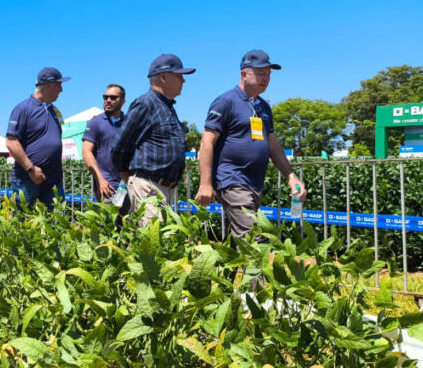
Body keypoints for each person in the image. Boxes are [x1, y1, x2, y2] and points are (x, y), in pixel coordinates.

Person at [195, 49, 307, 238]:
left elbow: (273, 145)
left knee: (238, 241)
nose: (266, 78)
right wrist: (205, 183)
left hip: (254, 183)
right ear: (244, 74)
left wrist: (291, 176)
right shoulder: (225, 102)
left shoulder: (263, 107)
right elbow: (207, 142)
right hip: (232, 179)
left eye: (268, 74)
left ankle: (228, 258)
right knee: (253, 238)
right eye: (261, 73)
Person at [111, 53, 195, 226]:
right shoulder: (146, 104)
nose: (183, 81)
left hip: (164, 189)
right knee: (152, 239)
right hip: (149, 187)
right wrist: (127, 176)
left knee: (160, 239)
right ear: (163, 77)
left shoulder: (167, 107)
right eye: (179, 76)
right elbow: (120, 147)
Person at [5, 67, 69, 209]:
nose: (61, 90)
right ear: (48, 85)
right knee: (22, 220)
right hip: (27, 179)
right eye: (58, 85)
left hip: (53, 180)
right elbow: (11, 142)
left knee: (56, 221)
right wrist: (31, 169)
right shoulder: (23, 109)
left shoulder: (54, 111)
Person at [82, 84, 128, 209]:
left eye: (113, 98)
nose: (108, 100)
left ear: (123, 101)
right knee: (108, 220)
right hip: (107, 186)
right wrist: (100, 180)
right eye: (105, 97)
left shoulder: (129, 123)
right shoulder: (95, 123)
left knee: (129, 221)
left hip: (127, 185)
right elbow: (86, 152)